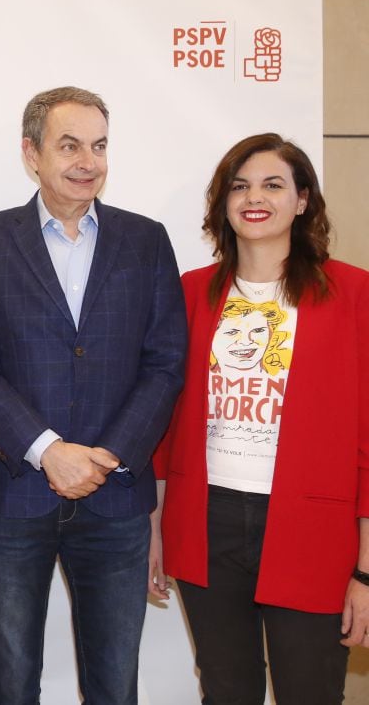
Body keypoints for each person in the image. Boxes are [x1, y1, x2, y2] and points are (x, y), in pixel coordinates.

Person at [0, 86, 187, 704]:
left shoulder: (146, 240)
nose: (88, 161)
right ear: (32, 154)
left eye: (100, 146)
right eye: (70, 145)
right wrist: (49, 450)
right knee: (15, 677)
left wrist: (106, 455)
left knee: (114, 683)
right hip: (15, 493)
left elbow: (165, 364)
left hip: (117, 496)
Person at [150, 133, 369, 704]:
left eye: (274, 184)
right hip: (206, 520)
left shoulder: (353, 293)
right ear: (223, 203)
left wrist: (366, 571)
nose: (255, 197)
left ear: (302, 201)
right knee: (225, 689)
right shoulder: (193, 292)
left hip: (314, 527)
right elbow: (164, 422)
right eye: (240, 186)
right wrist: (154, 526)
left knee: (310, 691)